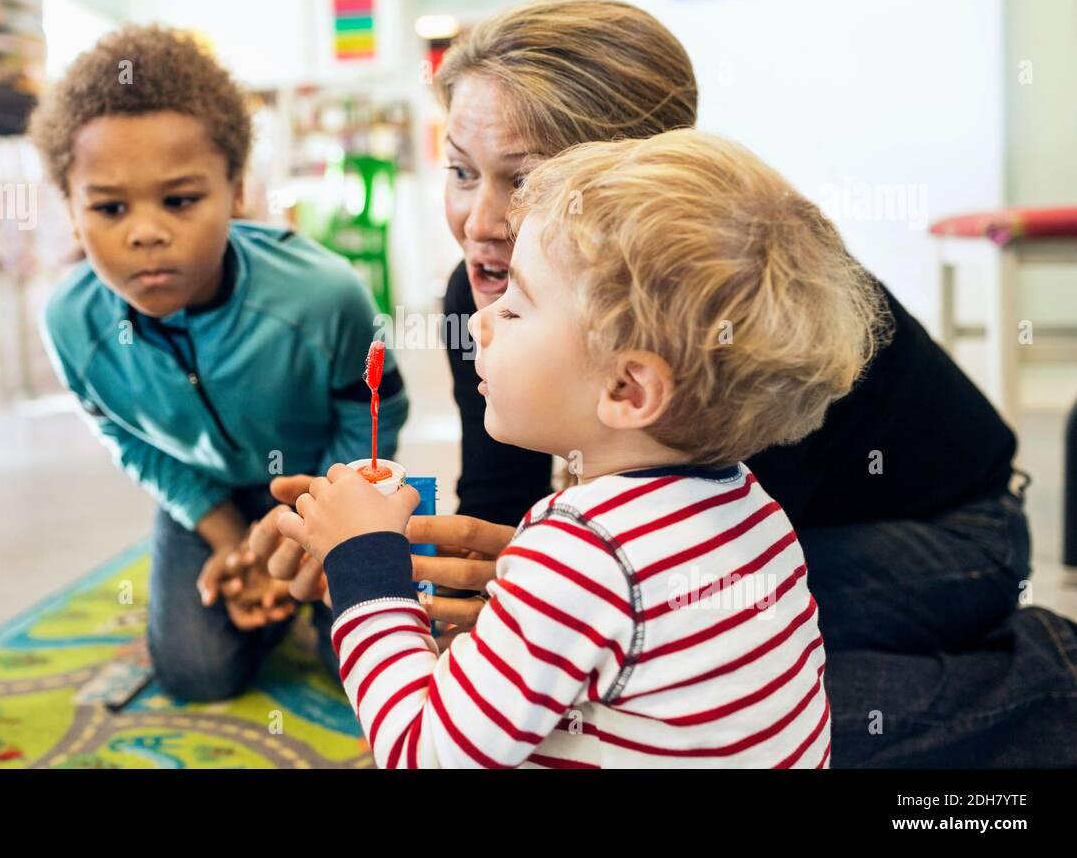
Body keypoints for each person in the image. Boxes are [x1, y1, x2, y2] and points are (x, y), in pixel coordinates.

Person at [251, 0, 1077, 767]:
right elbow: (510, 513)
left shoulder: (741, 312)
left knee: (731, 709)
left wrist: (518, 601)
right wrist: (376, 554)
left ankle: (1047, 680)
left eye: (530, 183)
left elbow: (682, 565)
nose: (480, 224)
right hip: (734, 557)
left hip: (948, 536)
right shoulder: (494, 290)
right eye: (463, 172)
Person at [277, 130, 883, 767]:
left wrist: (363, 567)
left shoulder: (583, 548)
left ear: (627, 386)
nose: (480, 320)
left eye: (516, 309)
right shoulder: (756, 510)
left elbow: (420, 752)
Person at [32, 25, 408, 699]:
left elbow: (375, 415)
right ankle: (263, 598)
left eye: (180, 200)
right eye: (110, 207)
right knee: (197, 673)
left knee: (365, 665)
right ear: (70, 208)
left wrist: (306, 536)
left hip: (325, 484)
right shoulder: (70, 322)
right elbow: (125, 438)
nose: (145, 231)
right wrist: (232, 541)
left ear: (237, 191)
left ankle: (294, 598)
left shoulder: (324, 294)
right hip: (207, 494)